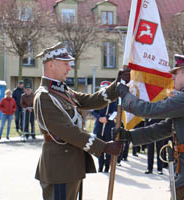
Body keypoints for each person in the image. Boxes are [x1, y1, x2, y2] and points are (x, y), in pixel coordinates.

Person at [115, 54, 184, 200]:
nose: (172, 78)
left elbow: (149, 110)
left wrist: (125, 94)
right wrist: (130, 136)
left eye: (176, 73)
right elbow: (166, 128)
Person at [33, 42, 129, 200]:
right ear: (51, 64)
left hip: (70, 166)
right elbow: (69, 132)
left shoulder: (62, 91)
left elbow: (90, 100)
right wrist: (104, 146)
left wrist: (116, 85)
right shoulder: (44, 96)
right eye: (65, 64)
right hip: (59, 169)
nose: (69, 68)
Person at [92, 81, 117, 173]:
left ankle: (107, 166)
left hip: (109, 126)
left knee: (108, 147)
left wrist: (107, 118)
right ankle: (100, 166)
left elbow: (115, 112)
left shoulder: (113, 100)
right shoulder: (97, 100)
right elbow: (93, 111)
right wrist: (99, 118)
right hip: (99, 126)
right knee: (99, 147)